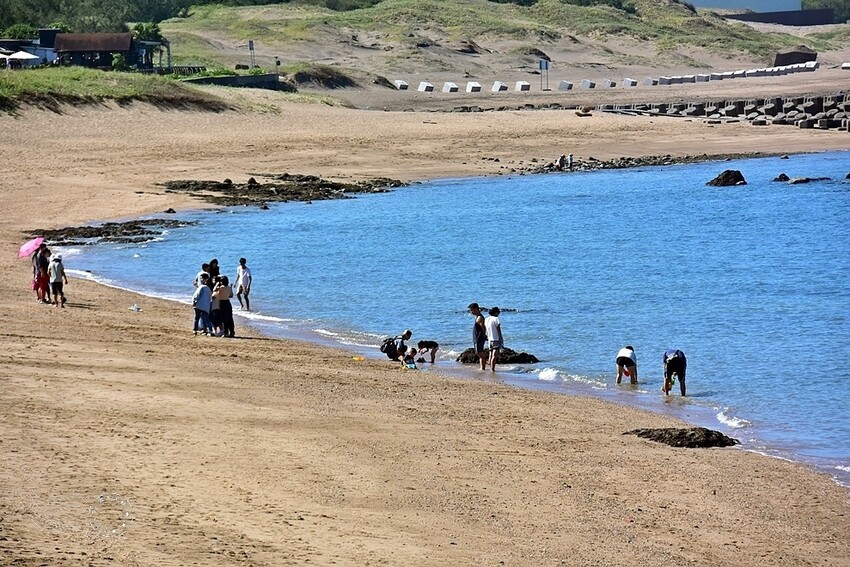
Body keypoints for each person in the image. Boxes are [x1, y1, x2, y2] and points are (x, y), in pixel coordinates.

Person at [468, 303, 488, 370]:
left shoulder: (480, 317)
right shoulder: (477, 317)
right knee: (478, 353)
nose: (471, 312)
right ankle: (481, 367)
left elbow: (483, 327)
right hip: (476, 337)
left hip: (479, 338)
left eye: (472, 310)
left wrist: (484, 335)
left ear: (475, 309)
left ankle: (483, 368)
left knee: (480, 353)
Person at [485, 306, 503, 372]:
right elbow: (498, 329)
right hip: (495, 338)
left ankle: (490, 367)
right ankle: (492, 369)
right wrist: (501, 339)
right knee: (494, 355)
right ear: (496, 313)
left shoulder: (486, 319)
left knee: (490, 353)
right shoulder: (496, 319)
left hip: (489, 338)